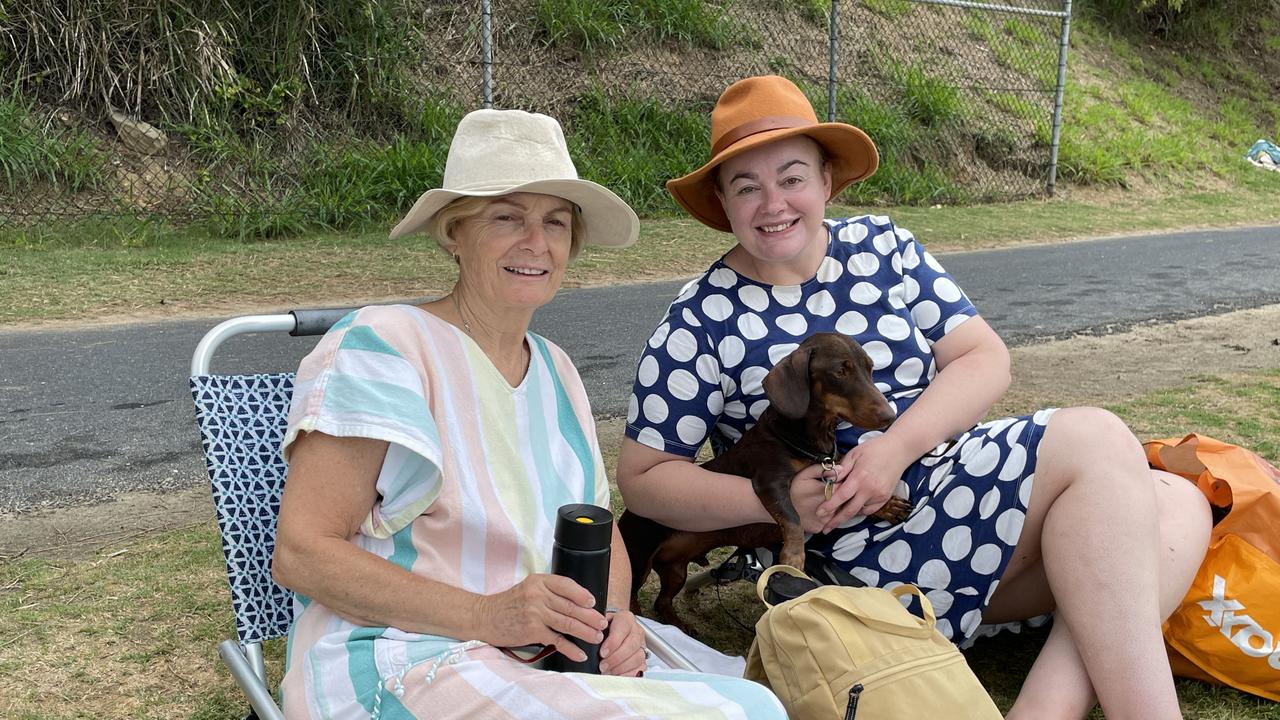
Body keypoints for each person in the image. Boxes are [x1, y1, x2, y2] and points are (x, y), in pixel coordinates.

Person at [616, 75, 1213, 720]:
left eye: (791, 178)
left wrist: (894, 450)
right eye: (746, 187)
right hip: (845, 547)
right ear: (723, 205)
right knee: (1097, 443)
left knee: (1175, 500)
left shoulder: (882, 247)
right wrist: (784, 500)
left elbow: (984, 358)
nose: (773, 203)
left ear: (825, 181)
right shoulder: (700, 317)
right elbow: (644, 479)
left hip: (945, 490)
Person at [272, 108, 785, 720]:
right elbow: (302, 552)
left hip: (547, 653)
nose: (536, 243)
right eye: (506, 217)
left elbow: (598, 529)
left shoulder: (556, 369)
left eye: (556, 222)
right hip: (408, 654)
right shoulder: (382, 344)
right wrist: (487, 615)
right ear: (453, 233)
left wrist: (615, 616)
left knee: (756, 705)